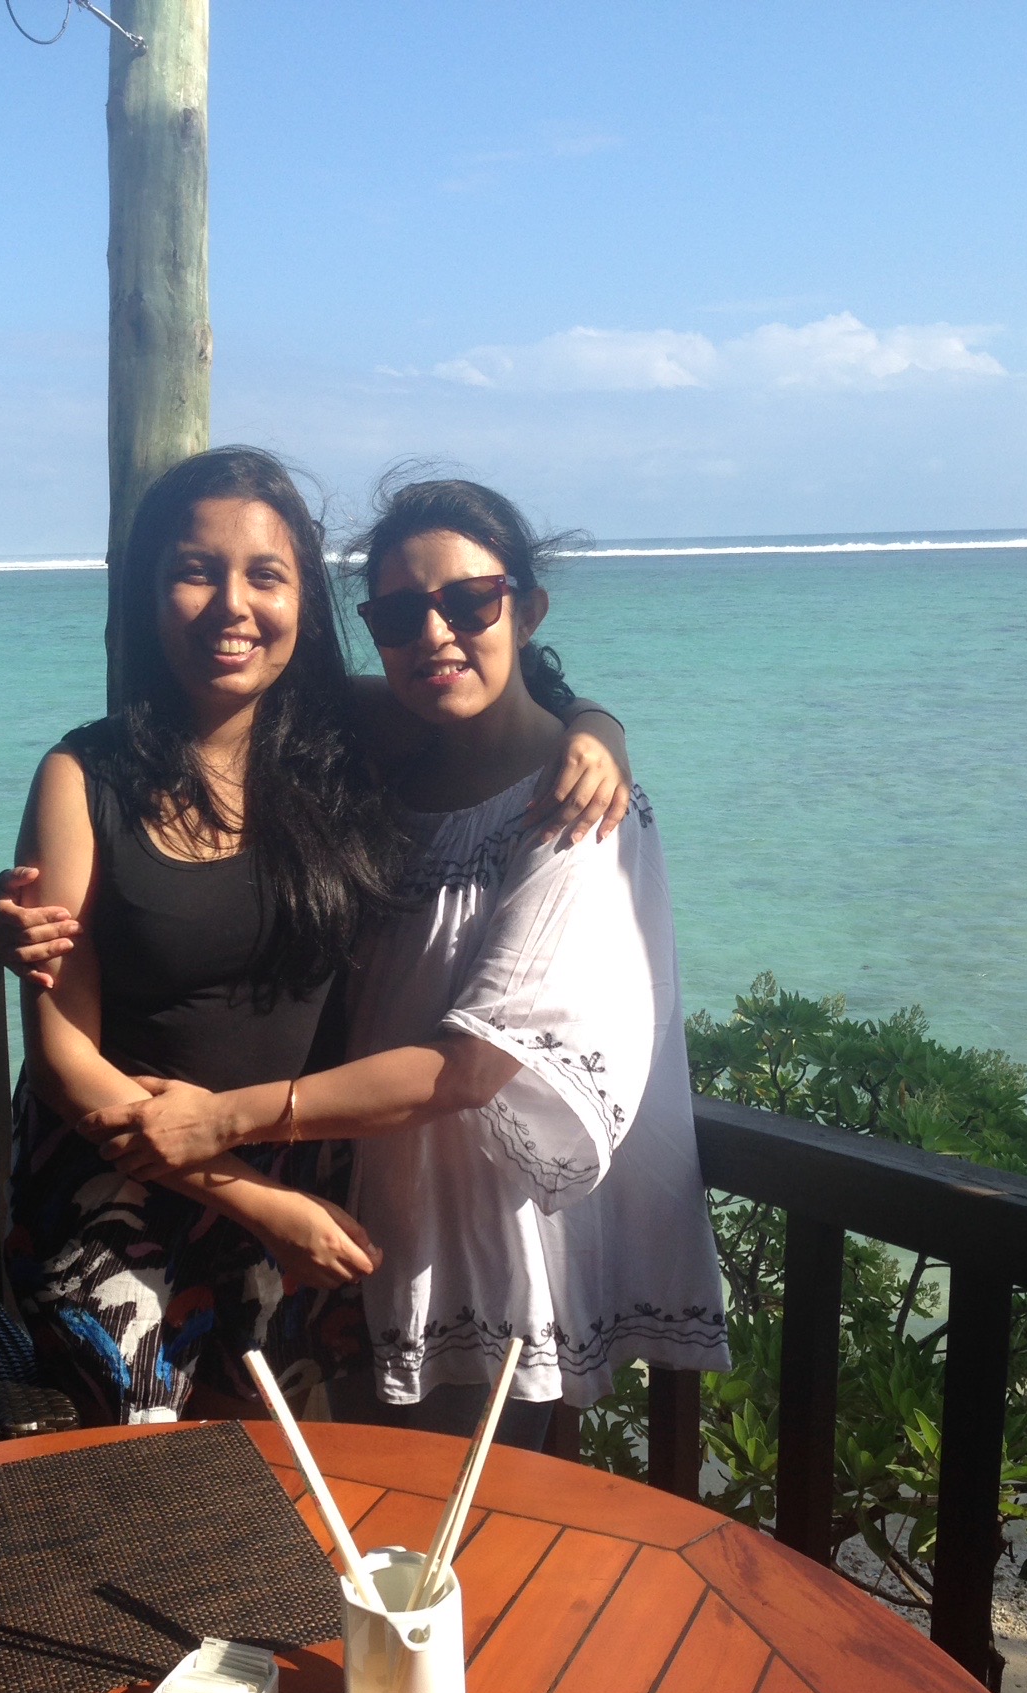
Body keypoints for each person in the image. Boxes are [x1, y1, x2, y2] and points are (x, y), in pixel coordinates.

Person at [84, 476, 730, 1448]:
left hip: (482, 1246)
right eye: (397, 615)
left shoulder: (574, 811)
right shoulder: (382, 765)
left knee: (467, 1520)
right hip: (357, 1217)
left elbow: (471, 1066)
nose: (435, 634)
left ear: (527, 608)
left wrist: (220, 1117)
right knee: (354, 1512)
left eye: (470, 602)